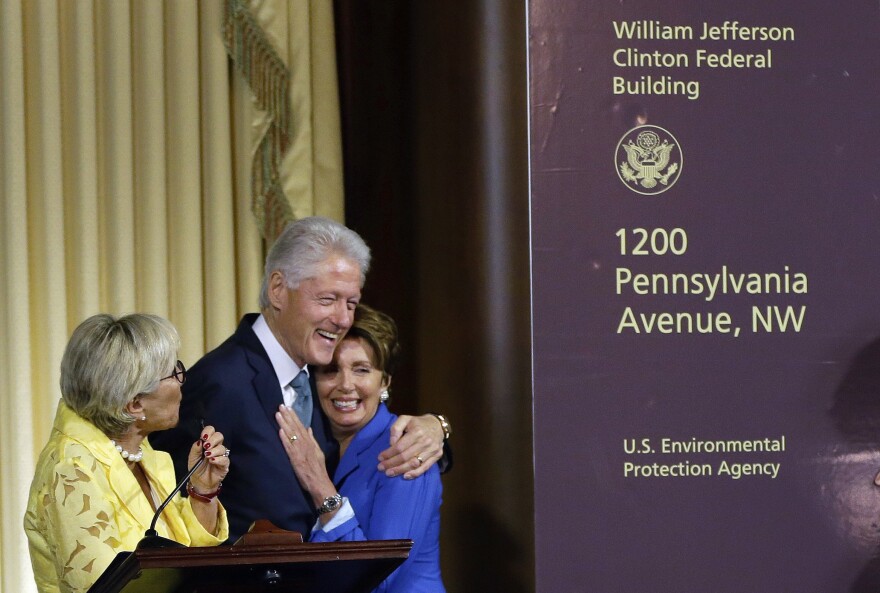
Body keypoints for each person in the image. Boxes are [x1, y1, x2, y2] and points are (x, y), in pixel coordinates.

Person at [152, 216, 450, 542]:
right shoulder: (221, 383)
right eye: (327, 299)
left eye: (351, 303)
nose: (342, 319)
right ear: (278, 289)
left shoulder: (319, 379)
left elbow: (367, 447)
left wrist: (437, 428)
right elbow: (174, 516)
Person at [24, 314, 230, 593]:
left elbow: (188, 557)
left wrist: (202, 490)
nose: (183, 381)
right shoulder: (71, 470)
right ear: (134, 405)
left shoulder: (141, 452)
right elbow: (105, 587)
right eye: (173, 372)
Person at [276, 304, 444, 592]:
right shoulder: (319, 444)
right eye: (330, 370)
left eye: (361, 370)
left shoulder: (405, 451)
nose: (345, 385)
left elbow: (379, 576)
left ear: (384, 382)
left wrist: (320, 487)